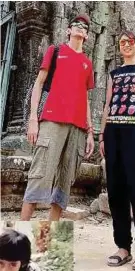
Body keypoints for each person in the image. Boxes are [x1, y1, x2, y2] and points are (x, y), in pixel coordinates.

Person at [21, 14, 95, 221]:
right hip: (52, 121)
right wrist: (33, 119)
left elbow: (86, 98)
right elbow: (38, 83)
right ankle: (17, 244)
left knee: (64, 185)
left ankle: (48, 246)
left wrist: (90, 132)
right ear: (68, 30)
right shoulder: (55, 51)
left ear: (87, 36)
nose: (81, 28)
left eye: (85, 27)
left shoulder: (87, 63)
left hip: (78, 128)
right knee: (39, 176)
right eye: (76, 25)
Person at [99, 30, 135, 270]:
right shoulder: (114, 73)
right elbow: (107, 105)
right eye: (122, 42)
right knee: (116, 191)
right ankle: (123, 246)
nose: (126, 45)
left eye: (130, 42)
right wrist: (102, 136)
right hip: (113, 133)